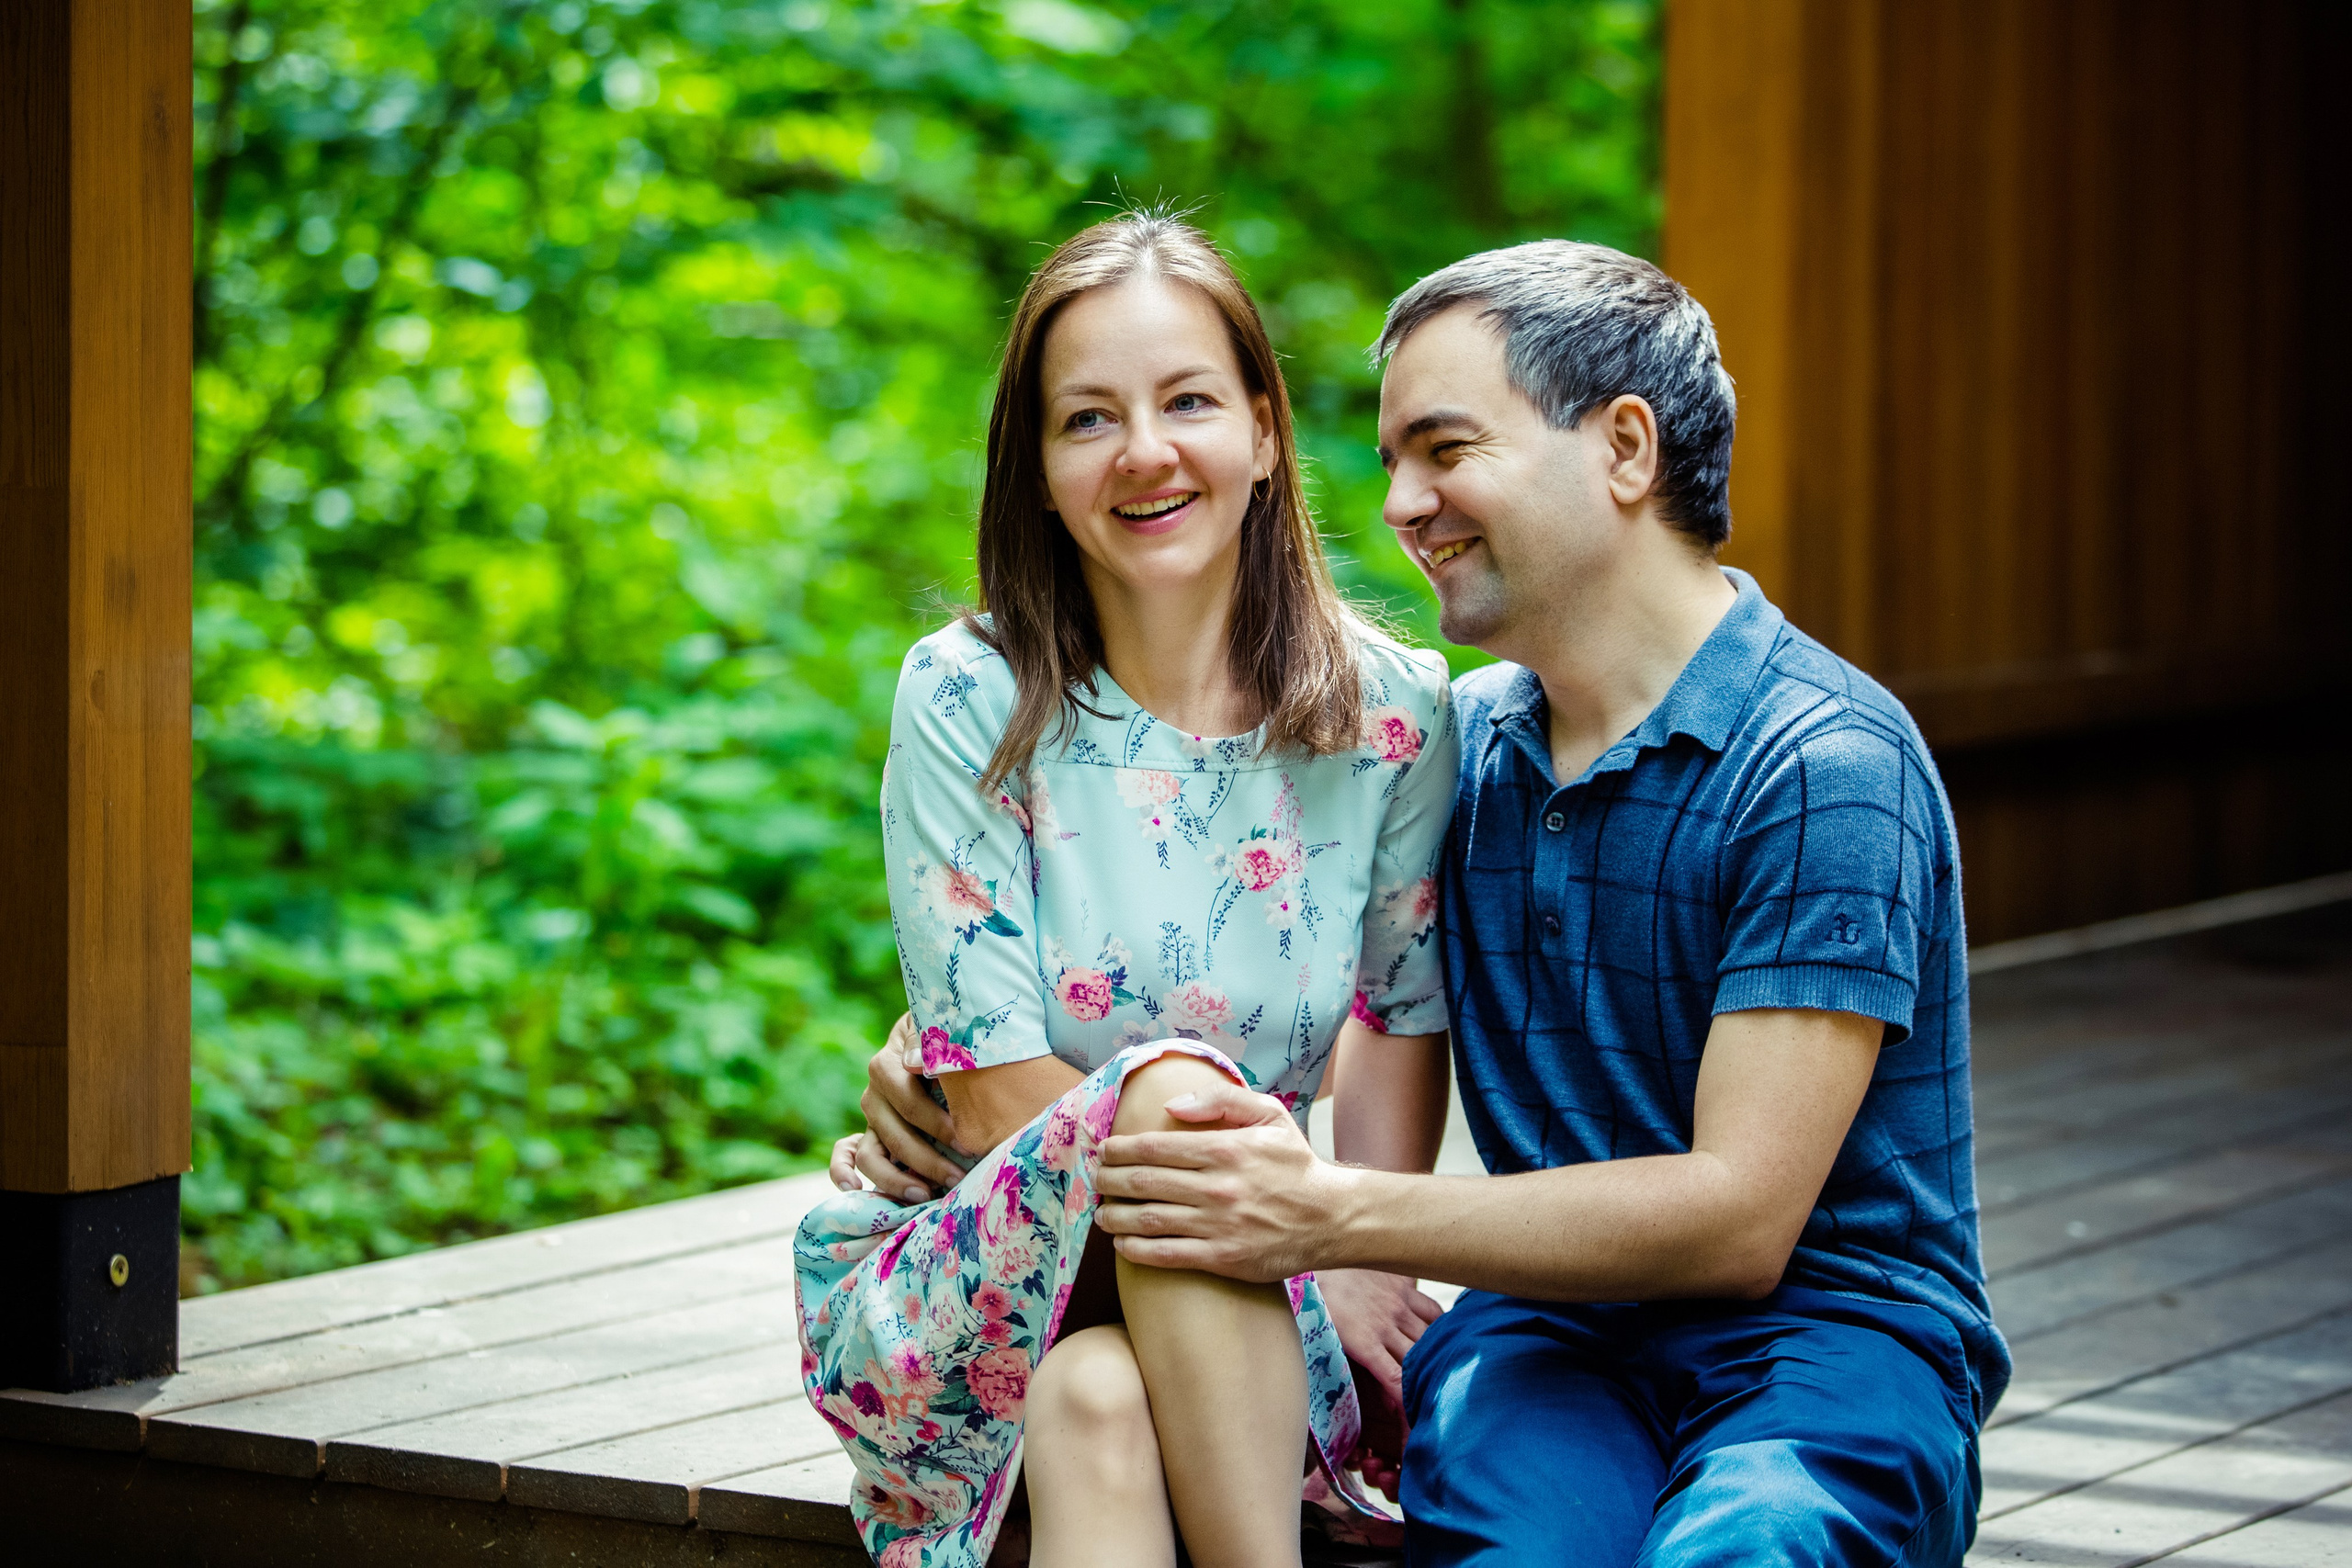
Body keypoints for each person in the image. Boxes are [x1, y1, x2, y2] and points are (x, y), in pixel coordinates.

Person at [857, 240, 2007, 1566]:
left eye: (1445, 449)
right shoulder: (1474, 743)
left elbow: (1741, 1221)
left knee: (1739, 1553)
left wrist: (1343, 1226)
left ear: (1625, 450)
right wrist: (926, 1058)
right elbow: (1314, 976)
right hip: (1557, 1335)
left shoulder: (1816, 766)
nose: (1402, 502)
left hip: (1826, 1338)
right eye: (1395, 456)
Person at [795, 210, 1461, 1568]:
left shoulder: (1394, 713)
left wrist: (1360, 1244)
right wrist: (1265, 1209)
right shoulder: (968, 696)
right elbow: (987, 1089)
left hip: (1259, 1292)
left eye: (1190, 401)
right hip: (981, 1278)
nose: (1144, 452)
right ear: (1037, 471)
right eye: (1087, 419)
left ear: (1267, 433)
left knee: (1094, 1402)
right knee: (1172, 1104)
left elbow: (1401, 1011)